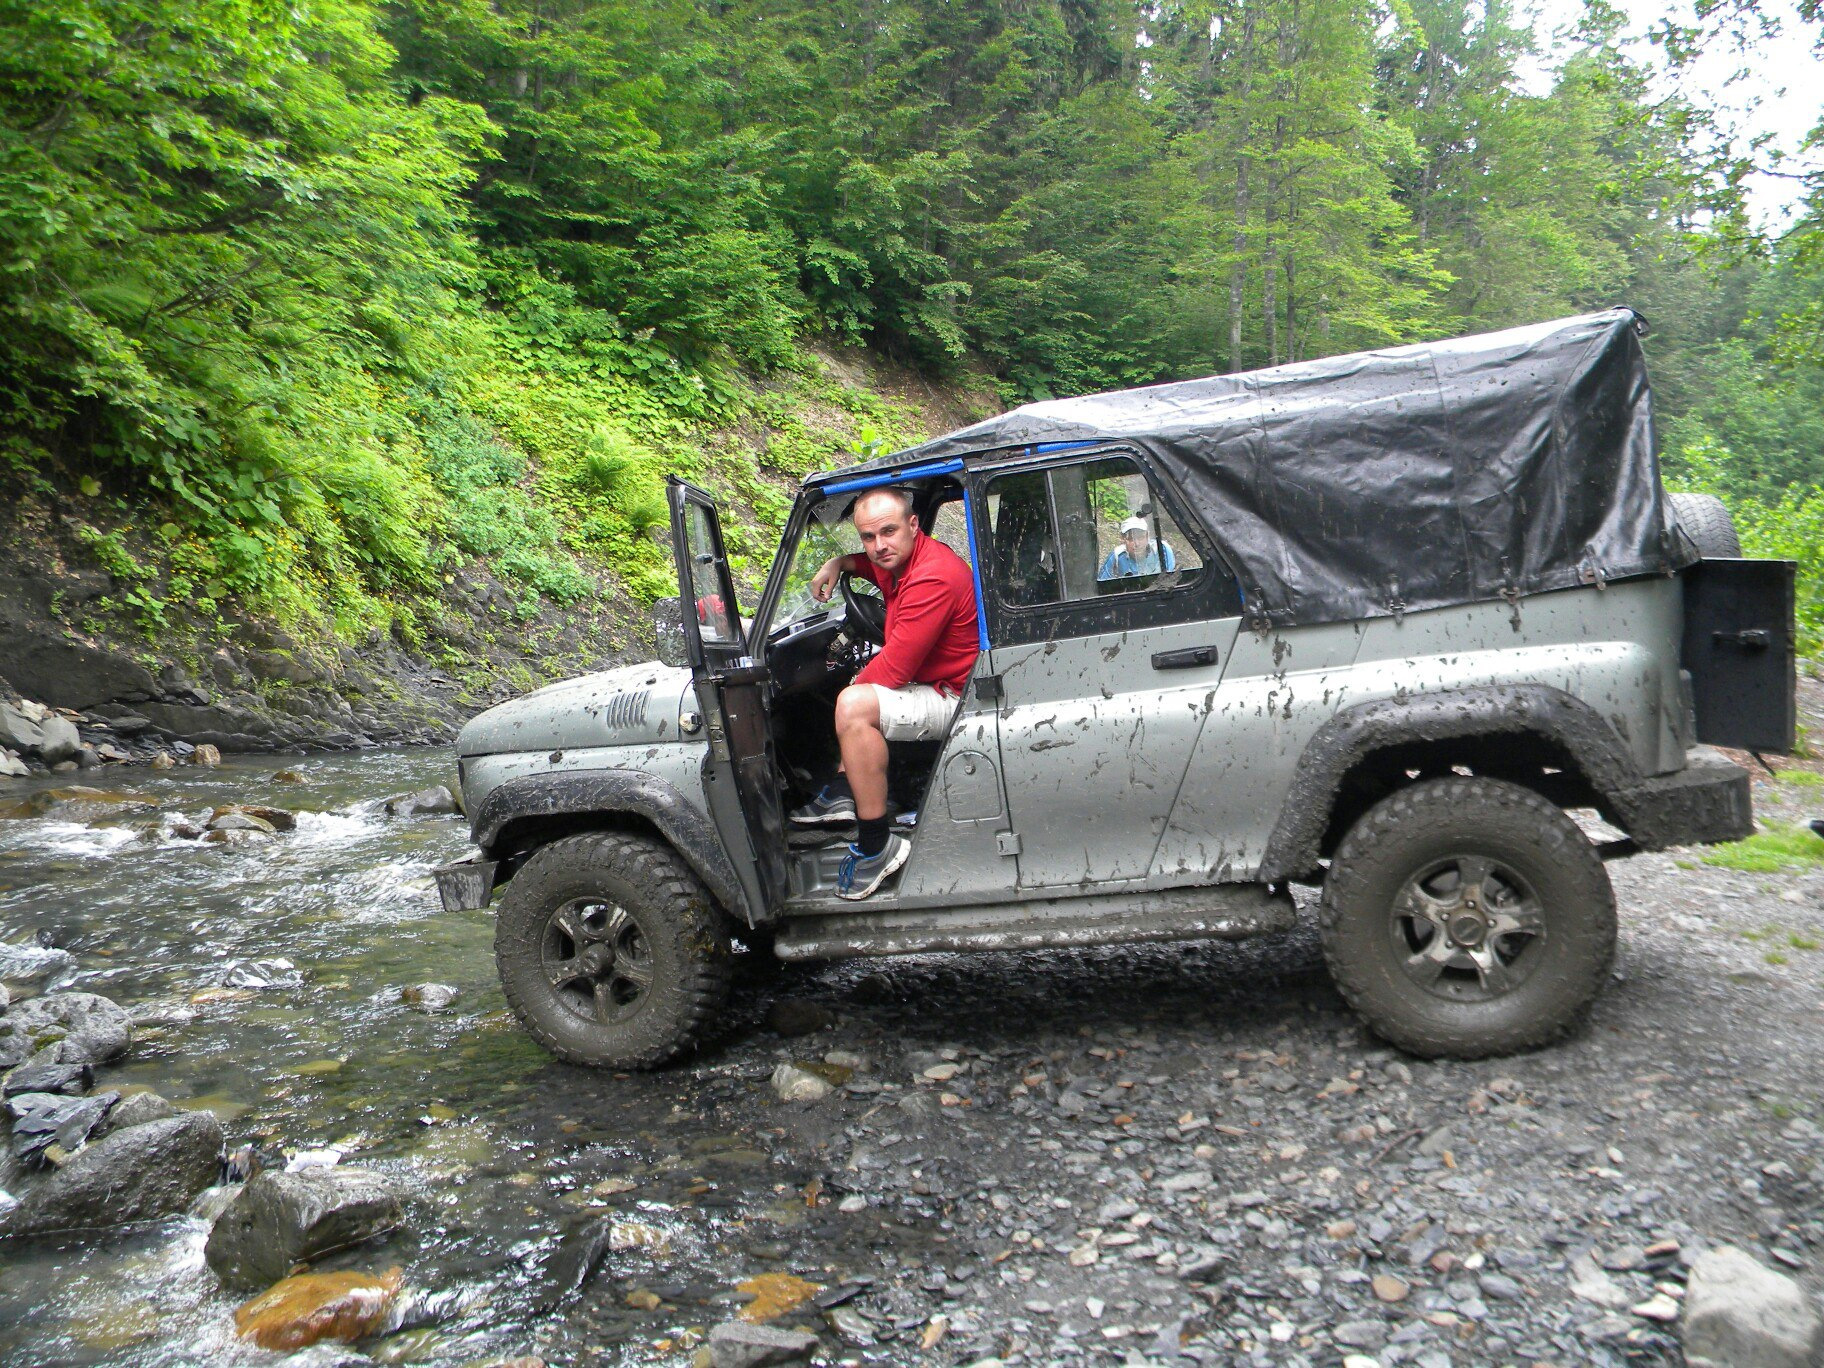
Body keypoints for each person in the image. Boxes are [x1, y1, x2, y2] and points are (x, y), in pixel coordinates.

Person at [788, 487, 979, 899]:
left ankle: (877, 843)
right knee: (854, 687)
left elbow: (895, 669)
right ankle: (842, 788)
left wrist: (852, 694)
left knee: (854, 703)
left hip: (957, 697)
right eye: (868, 537)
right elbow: (877, 567)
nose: (878, 546)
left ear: (913, 525)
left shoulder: (933, 576)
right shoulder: (905, 559)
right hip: (936, 682)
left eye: (888, 532)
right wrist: (840, 562)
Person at [1098, 515, 1176, 580]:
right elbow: (1101, 586)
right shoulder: (1117, 557)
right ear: (1122, 539)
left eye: (1141, 537)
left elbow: (1171, 580)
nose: (1137, 543)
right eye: (1131, 539)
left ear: (1147, 536)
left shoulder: (1162, 549)